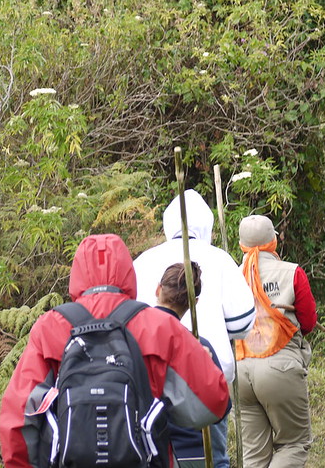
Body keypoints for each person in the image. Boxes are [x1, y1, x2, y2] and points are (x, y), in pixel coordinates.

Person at [0, 233, 229, 468]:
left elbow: (18, 417)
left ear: (76, 273)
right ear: (128, 272)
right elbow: (212, 405)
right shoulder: (159, 326)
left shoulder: (49, 327)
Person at [134, 189, 256, 468]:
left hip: (152, 385)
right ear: (208, 226)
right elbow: (242, 323)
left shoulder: (142, 262)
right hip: (207, 382)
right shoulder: (220, 259)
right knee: (210, 461)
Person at [235, 215, 317, 468]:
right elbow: (308, 322)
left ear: (241, 245)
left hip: (240, 371)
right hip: (279, 367)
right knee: (293, 444)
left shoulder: (231, 276)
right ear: (274, 241)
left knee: (254, 455)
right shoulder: (291, 272)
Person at [154, 261, 230, 468]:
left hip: (147, 451)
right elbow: (221, 409)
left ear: (158, 289)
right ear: (193, 302)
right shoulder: (198, 346)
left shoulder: (131, 336)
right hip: (192, 453)